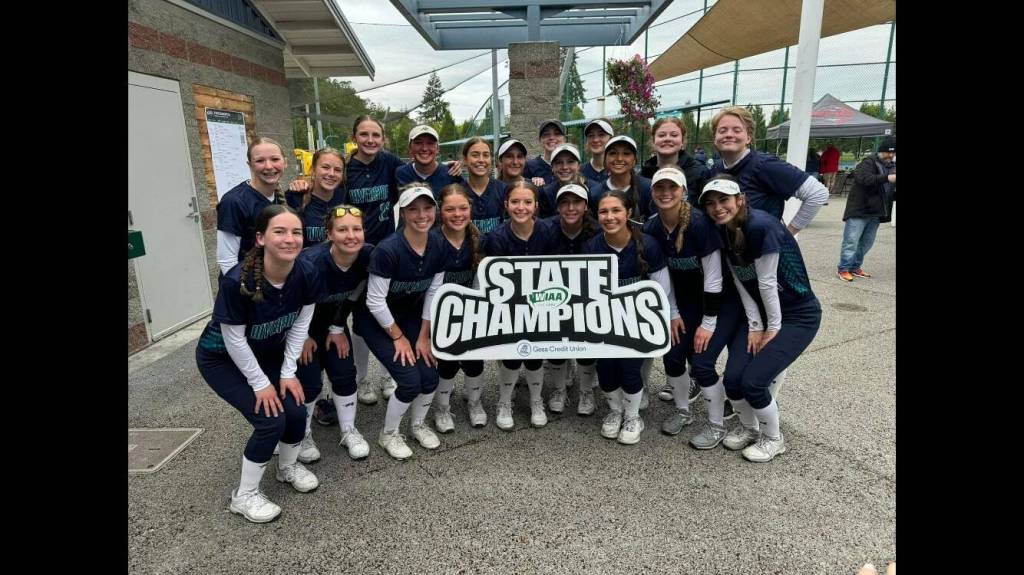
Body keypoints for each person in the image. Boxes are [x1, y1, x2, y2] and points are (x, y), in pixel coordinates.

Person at [195, 204, 323, 523]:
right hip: (221, 358)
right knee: (270, 419)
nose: (289, 238)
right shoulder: (238, 281)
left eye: (296, 232)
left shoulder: (306, 272)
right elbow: (235, 341)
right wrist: (261, 383)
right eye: (279, 231)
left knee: (295, 406)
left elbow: (299, 325)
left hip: (265, 352)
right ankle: (244, 495)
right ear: (261, 238)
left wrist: (288, 373)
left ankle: (287, 468)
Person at [699, 175, 822, 461]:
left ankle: (773, 438)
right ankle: (750, 429)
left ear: (740, 199)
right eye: (711, 203)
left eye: (724, 200)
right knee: (733, 380)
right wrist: (755, 325)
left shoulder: (761, 226)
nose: (718, 208)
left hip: (796, 315)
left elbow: (766, 284)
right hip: (760, 313)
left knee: (753, 382)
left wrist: (773, 328)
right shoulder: (724, 231)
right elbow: (743, 283)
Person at [354, 185, 449, 460]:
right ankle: (389, 434)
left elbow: (433, 291)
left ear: (435, 210)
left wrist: (423, 336)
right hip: (376, 318)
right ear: (404, 214)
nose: (422, 214)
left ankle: (417, 424)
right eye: (413, 209)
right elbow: (373, 301)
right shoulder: (389, 249)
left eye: (428, 207)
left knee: (430, 375)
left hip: (408, 314)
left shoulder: (439, 244)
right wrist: (398, 337)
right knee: (409, 381)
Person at [585, 189, 679, 445]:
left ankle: (633, 416)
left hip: (637, 321)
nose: (609, 216)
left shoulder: (647, 244)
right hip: (603, 320)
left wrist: (670, 315)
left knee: (629, 369)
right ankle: (615, 411)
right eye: (604, 211)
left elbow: (662, 289)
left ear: (628, 213)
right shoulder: (592, 247)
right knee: (605, 370)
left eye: (616, 210)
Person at [642, 167, 729, 443]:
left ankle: (717, 424)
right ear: (652, 192)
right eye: (660, 188)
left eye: (672, 188)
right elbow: (659, 275)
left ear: (684, 191)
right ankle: (683, 411)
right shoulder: (653, 226)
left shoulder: (700, 224)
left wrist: (709, 322)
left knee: (702, 364)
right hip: (679, 302)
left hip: (709, 302)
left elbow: (714, 278)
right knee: (671, 356)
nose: (666, 193)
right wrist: (672, 312)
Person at [294, 204, 374, 462]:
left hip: (333, 325)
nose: (351, 235)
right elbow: (290, 302)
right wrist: (302, 336)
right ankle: (302, 434)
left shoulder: (367, 256)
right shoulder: (310, 262)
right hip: (301, 328)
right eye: (342, 230)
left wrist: (339, 327)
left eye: (357, 229)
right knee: (309, 382)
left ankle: (349, 429)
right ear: (329, 234)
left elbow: (354, 294)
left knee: (344, 372)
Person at [483, 180, 562, 430]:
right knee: (511, 355)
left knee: (536, 355)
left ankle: (536, 400)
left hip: (541, 305)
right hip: (509, 307)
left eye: (527, 202)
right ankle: (504, 401)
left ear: (536, 206)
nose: (521, 207)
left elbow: (557, 273)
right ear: (506, 205)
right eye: (515, 202)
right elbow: (492, 282)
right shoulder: (497, 237)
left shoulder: (549, 231)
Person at [431, 184, 488, 431]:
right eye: (450, 209)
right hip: (438, 311)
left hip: (470, 309)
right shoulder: (432, 241)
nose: (457, 214)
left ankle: (475, 402)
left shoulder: (478, 241)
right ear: (440, 211)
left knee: (474, 359)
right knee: (448, 362)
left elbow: (483, 281)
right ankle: (441, 407)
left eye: (463, 208)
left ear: (470, 209)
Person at [544, 183, 600, 416]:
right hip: (555, 296)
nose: (570, 207)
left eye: (576, 202)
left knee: (587, 344)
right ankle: (559, 389)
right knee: (555, 342)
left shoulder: (597, 230)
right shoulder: (546, 229)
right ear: (557, 207)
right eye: (565, 202)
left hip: (587, 297)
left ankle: (586, 391)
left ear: (585, 205)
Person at [216, 137, 288, 275]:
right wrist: (240, 290)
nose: (268, 166)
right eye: (260, 161)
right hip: (247, 286)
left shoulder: (280, 197)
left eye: (275, 159)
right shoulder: (234, 202)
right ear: (250, 165)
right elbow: (227, 260)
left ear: (285, 162)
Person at [836, 138, 896, 282]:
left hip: (876, 212)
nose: (891, 156)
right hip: (859, 209)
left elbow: (888, 190)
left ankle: (855, 267)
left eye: (893, 154)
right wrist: (888, 178)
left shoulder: (891, 166)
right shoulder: (868, 162)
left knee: (866, 243)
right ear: (882, 151)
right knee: (851, 241)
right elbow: (865, 180)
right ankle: (843, 269)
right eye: (889, 153)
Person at [641, 117, 709, 208]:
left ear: (682, 142)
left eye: (674, 135)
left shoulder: (700, 173)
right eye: (661, 135)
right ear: (653, 141)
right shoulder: (643, 176)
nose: (667, 139)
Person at [285, 147, 346, 248]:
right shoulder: (295, 198)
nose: (331, 174)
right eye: (325, 167)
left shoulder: (345, 197)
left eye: (337, 170)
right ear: (313, 170)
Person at [587, 136, 654, 219]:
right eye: (613, 153)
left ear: (635, 160)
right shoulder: (595, 193)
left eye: (626, 153)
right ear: (605, 159)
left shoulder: (649, 188)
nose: (619, 158)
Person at [395, 124, 465, 192]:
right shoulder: (401, 174)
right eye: (418, 143)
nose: (424, 148)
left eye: (430, 143)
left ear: (437, 148)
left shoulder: (451, 173)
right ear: (410, 148)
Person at [460, 137, 509, 234]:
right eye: (475, 155)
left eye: (486, 155)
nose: (481, 160)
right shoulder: (458, 193)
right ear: (465, 159)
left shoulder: (503, 190)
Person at [538, 143, 594, 218]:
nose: (564, 167)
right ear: (552, 167)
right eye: (558, 162)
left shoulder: (593, 190)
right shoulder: (546, 193)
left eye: (570, 162)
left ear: (578, 166)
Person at [523, 119, 567, 185]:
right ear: (540, 140)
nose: (551, 137)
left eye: (557, 134)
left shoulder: (571, 167)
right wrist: (530, 183)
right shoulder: (530, 166)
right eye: (546, 134)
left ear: (564, 139)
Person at [580, 118, 614, 184]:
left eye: (601, 135)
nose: (595, 140)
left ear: (611, 138)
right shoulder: (579, 172)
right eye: (591, 135)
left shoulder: (619, 171)